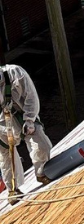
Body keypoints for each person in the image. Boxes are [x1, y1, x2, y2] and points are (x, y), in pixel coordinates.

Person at [1, 64, 52, 203]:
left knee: (42, 146)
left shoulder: (14, 72)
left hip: (22, 117)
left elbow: (31, 97)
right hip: (2, 127)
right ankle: (13, 189)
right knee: (5, 156)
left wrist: (29, 120)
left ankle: (42, 172)